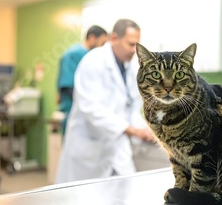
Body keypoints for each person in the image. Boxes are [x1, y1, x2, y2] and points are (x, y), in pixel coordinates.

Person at [55, 19, 154, 183]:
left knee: (124, 197)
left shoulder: (130, 68)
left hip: (117, 148)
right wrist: (132, 131)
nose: (134, 50)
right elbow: (91, 108)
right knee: (83, 203)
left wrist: (146, 130)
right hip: (89, 150)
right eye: (130, 44)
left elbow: (131, 108)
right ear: (114, 38)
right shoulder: (93, 61)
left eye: (137, 45)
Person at [57, 25, 108, 135]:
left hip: (90, 111)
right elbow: (68, 86)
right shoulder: (73, 55)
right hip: (73, 109)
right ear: (92, 38)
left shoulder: (94, 57)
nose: (103, 48)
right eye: (102, 43)